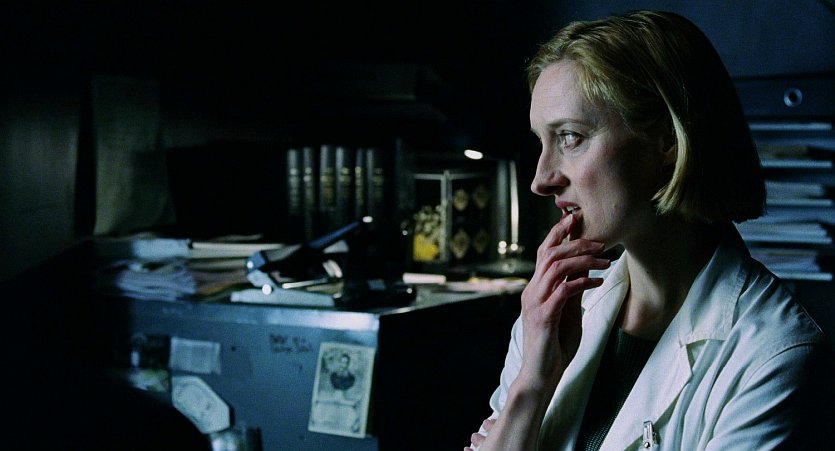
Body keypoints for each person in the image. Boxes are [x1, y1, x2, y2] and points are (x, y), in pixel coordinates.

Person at [467, 10, 834, 450]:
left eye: (570, 137)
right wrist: (532, 384)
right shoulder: (551, 313)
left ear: (668, 140)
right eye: (541, 141)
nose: (541, 180)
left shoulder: (775, 355)